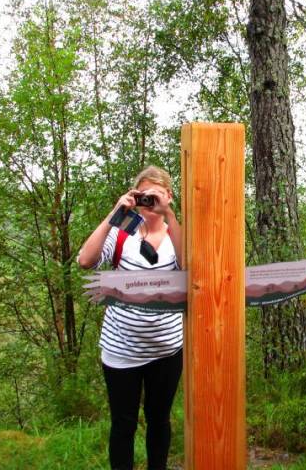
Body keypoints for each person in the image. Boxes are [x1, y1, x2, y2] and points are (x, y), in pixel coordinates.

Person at [78, 165, 183, 470]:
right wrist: (117, 210)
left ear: (169, 195)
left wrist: (170, 216)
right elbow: (86, 260)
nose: (148, 201)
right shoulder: (123, 226)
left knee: (159, 421)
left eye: (156, 194)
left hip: (166, 349)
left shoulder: (175, 230)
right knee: (123, 424)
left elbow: (192, 266)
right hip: (121, 350)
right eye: (143, 194)